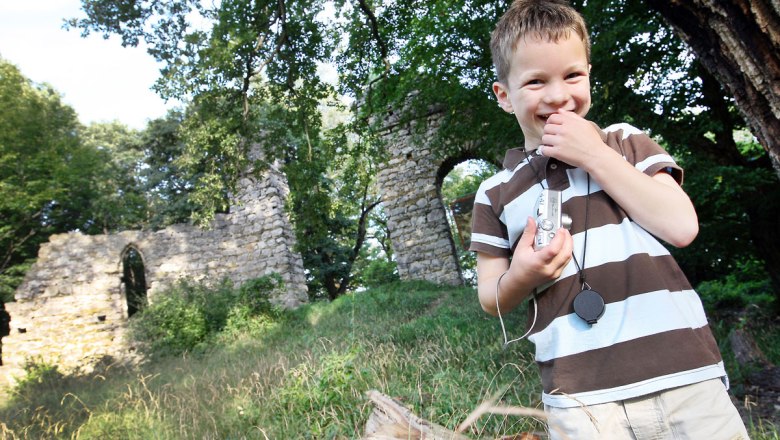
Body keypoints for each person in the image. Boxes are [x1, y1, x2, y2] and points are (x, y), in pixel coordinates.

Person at [468, 0, 749, 438]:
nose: (559, 95)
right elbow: (491, 297)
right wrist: (522, 274)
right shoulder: (494, 193)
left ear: (590, 78)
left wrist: (595, 155)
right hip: (580, 401)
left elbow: (681, 226)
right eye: (536, 81)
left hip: (685, 376)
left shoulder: (624, 142)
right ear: (504, 95)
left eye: (572, 75)